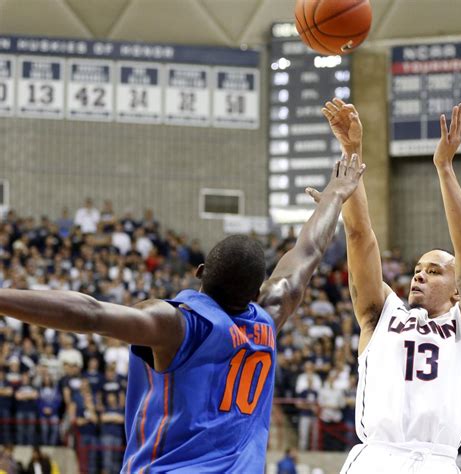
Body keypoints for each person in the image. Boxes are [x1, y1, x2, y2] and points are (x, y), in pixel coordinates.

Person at [0, 156, 365, 473]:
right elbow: (309, 251)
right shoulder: (269, 317)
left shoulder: (178, 324)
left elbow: (89, 313)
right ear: (256, 292)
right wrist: (334, 194)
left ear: (201, 271)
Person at [310, 99, 461, 473]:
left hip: (437, 462)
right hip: (377, 457)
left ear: (457, 291)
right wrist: (352, 151)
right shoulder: (381, 312)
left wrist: (444, 167)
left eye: (434, 271)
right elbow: (359, 235)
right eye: (418, 269)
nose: (420, 275)